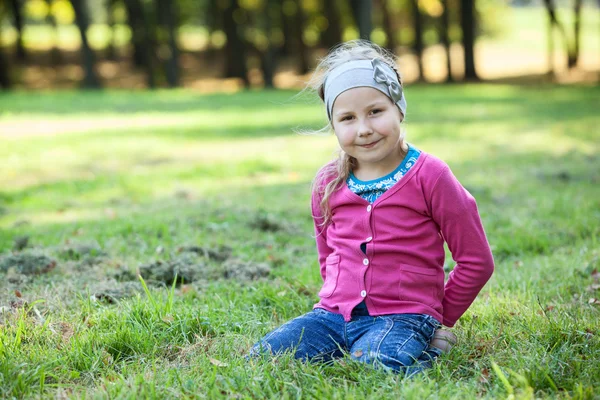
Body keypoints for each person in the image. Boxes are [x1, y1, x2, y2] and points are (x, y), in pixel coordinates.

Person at [249, 40, 494, 375]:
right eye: (347, 118)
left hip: (402, 316)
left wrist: (440, 317)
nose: (363, 129)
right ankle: (353, 346)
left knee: (374, 370)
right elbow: (328, 256)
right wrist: (335, 297)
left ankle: (431, 351)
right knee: (263, 359)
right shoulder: (328, 182)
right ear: (334, 125)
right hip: (332, 315)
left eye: (375, 111)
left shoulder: (432, 176)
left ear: (399, 109)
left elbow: (476, 261)